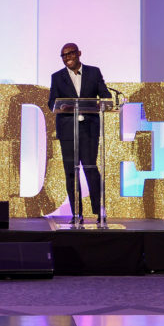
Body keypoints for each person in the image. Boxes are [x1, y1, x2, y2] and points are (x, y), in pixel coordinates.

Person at [48, 43, 111, 224]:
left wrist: (103, 102)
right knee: (70, 172)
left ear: (79, 53)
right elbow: (52, 102)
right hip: (68, 131)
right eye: (63, 55)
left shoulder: (94, 72)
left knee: (91, 169)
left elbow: (105, 95)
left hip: (89, 130)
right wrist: (61, 106)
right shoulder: (57, 77)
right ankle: (77, 214)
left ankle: (99, 212)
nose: (67, 57)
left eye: (70, 53)